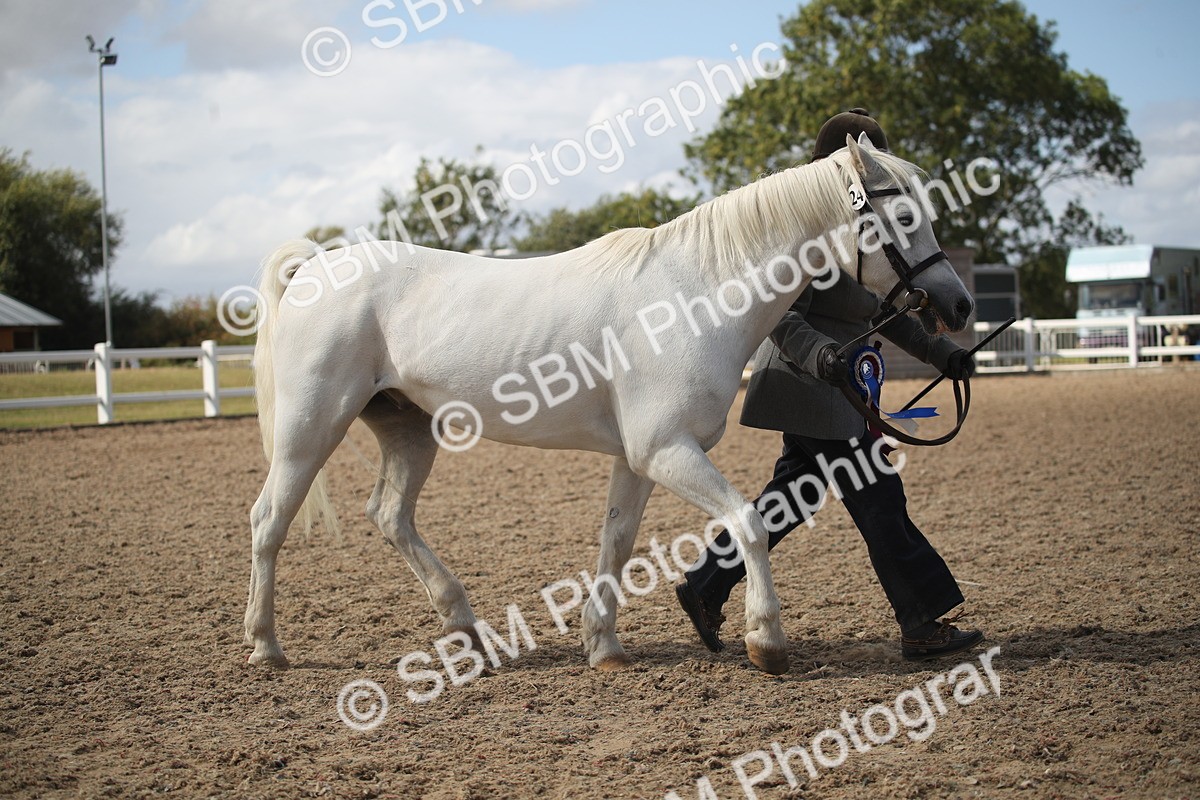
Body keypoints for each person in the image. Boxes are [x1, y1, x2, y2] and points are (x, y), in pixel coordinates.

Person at [674, 108, 984, 662]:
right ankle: (920, 623)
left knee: (795, 496)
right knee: (881, 499)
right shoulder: (800, 232)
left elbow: (878, 312)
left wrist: (942, 353)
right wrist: (821, 357)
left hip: (836, 391)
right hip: (812, 383)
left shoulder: (859, 237)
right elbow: (780, 315)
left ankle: (705, 584)